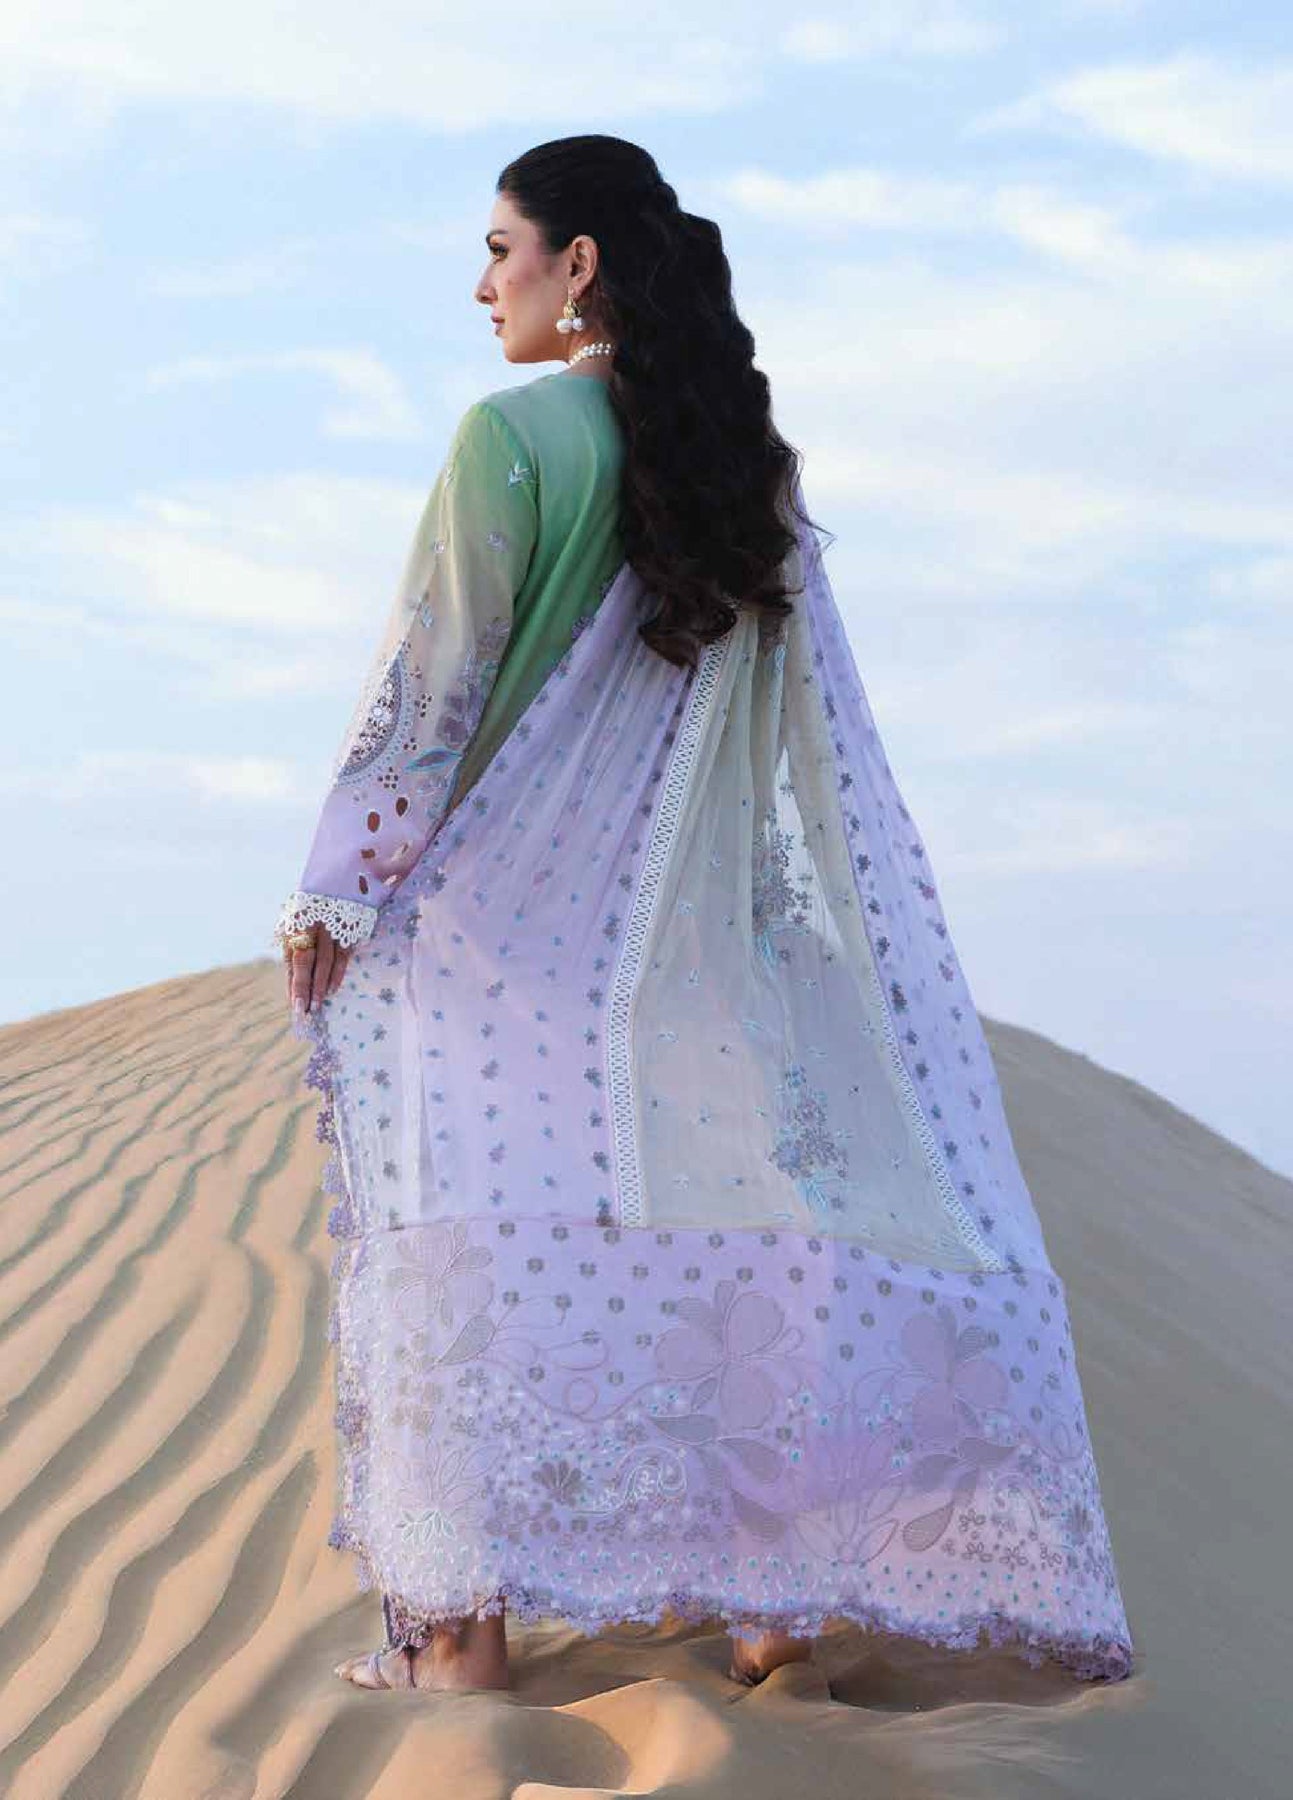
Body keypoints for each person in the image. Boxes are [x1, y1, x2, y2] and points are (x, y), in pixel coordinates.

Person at [274, 135, 1134, 1696]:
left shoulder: (508, 436)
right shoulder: (745, 469)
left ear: (577, 263)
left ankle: (460, 1640)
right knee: (731, 1228)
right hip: (689, 933)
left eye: (499, 250)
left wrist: (341, 881)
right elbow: (797, 735)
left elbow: (433, 679)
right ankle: (767, 1608)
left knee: (468, 1247)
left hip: (499, 927)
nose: (483, 286)